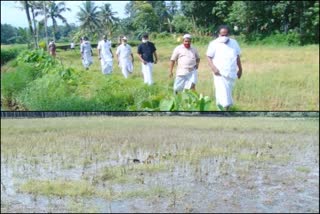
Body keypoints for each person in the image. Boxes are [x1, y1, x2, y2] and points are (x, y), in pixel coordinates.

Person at [206, 25, 243, 111]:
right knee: (222, 91)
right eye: (222, 35)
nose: (224, 36)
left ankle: (223, 109)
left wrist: (240, 69)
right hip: (219, 72)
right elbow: (208, 57)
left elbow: (237, 57)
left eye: (226, 34)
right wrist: (213, 68)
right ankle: (224, 109)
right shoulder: (213, 43)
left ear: (228, 34)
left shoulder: (234, 43)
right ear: (218, 34)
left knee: (228, 92)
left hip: (231, 72)